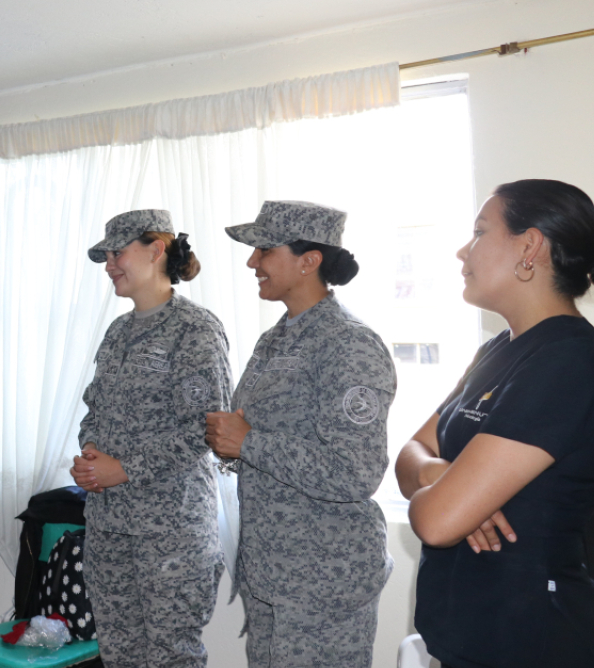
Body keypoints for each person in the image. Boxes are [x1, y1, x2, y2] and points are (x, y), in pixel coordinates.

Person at [395, 179, 594, 668]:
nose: (463, 251)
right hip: (475, 636)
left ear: (531, 245)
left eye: (479, 232)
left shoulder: (568, 362)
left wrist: (447, 491)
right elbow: (410, 453)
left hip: (540, 641)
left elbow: (435, 523)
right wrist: (442, 477)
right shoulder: (497, 350)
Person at [206, 200, 395, 668]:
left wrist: (248, 442)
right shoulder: (275, 338)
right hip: (271, 573)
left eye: (265, 250)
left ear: (309, 261)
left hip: (322, 582)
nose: (253, 262)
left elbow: (355, 472)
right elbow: (252, 435)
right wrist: (232, 444)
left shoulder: (349, 343)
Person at [69, 209, 230, 668]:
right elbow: (94, 407)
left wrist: (123, 468)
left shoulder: (196, 330)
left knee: (170, 658)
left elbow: (206, 427)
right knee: (119, 655)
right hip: (109, 525)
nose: (110, 265)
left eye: (117, 252)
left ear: (156, 249)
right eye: (106, 257)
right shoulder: (118, 331)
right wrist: (91, 454)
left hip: (171, 532)